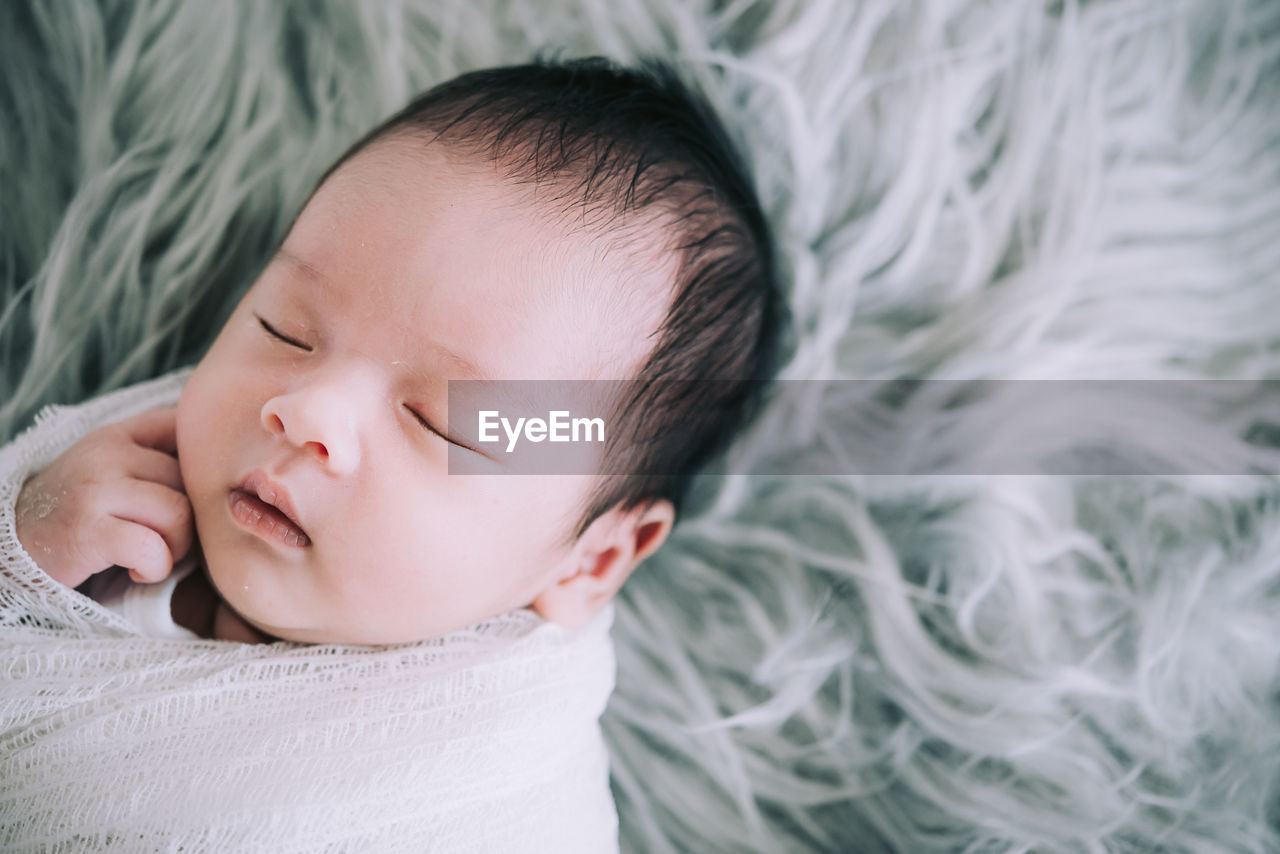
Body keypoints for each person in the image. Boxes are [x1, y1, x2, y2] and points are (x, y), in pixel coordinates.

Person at [9, 56, 784, 647]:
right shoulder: (85, 532)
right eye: (285, 328)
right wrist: (26, 556)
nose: (307, 409)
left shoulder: (484, 779)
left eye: (444, 423)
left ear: (591, 558)